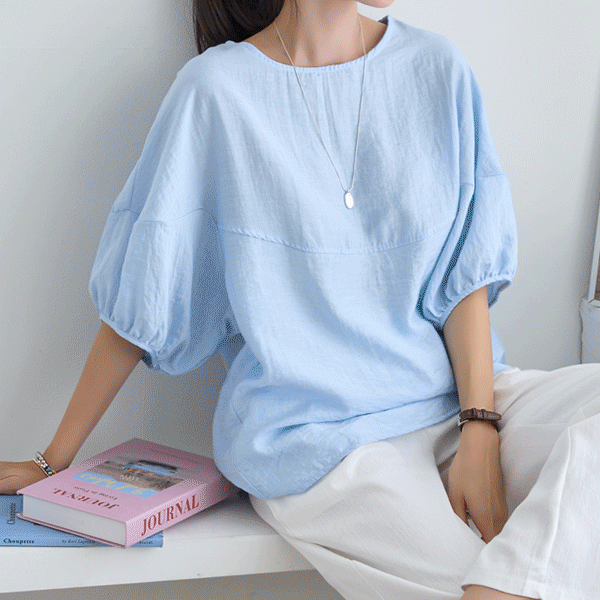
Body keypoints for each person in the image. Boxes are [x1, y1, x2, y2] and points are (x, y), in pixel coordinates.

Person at [1, 1, 599, 599]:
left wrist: (480, 425)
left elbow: (463, 278)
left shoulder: (437, 68)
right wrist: (53, 459)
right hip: (317, 442)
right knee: (480, 583)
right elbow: (145, 293)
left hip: (456, 403)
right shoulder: (216, 92)